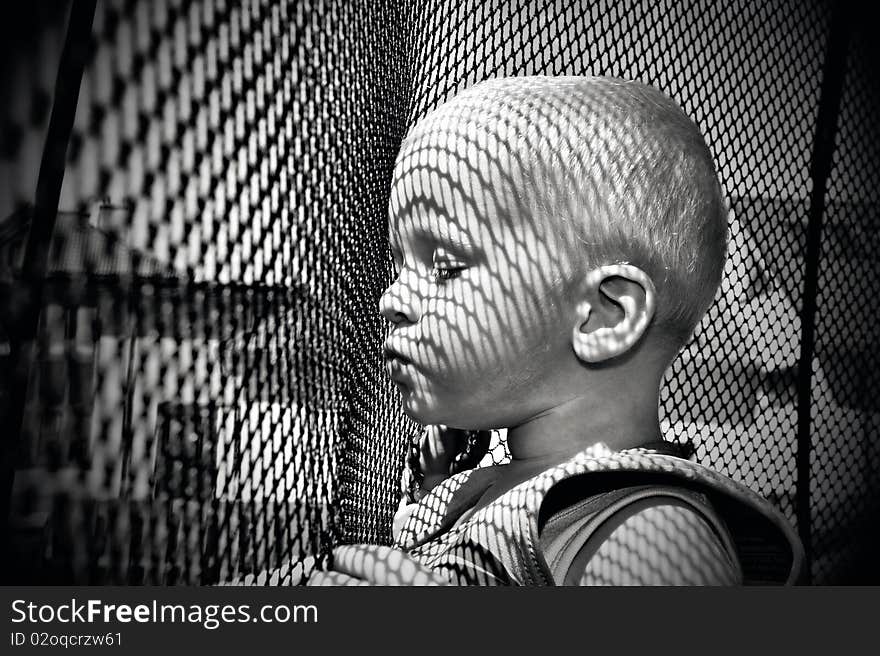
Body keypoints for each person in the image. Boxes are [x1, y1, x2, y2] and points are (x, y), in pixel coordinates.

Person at [309, 75, 803, 586]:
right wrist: (434, 482)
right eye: (398, 265)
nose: (391, 300)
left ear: (602, 316)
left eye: (446, 266)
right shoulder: (482, 487)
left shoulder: (648, 531)